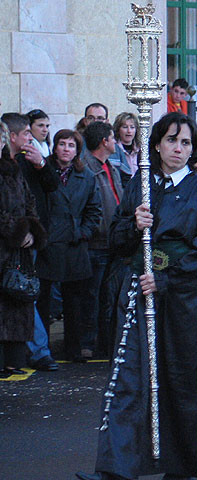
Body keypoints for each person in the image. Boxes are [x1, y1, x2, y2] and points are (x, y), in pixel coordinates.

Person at [77, 112, 197, 480]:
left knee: (185, 382)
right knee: (128, 380)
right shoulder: (139, 185)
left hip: (185, 302)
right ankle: (115, 469)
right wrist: (134, 225)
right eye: (172, 140)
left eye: (186, 142)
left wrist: (166, 280)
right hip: (137, 297)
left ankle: (184, 466)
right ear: (157, 143)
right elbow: (115, 240)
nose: (178, 149)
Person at [35, 129, 102, 362]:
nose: (65, 149)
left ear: (77, 151)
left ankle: (74, 348)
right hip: (47, 243)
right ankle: (42, 351)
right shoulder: (43, 172)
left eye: (71, 145)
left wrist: (82, 232)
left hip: (74, 245)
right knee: (43, 300)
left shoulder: (87, 176)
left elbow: (95, 211)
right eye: (62, 144)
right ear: (54, 147)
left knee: (74, 302)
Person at [0, 121, 47, 377]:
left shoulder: (13, 169)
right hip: (5, 245)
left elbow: (29, 201)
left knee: (17, 301)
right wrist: (15, 231)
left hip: (17, 252)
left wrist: (30, 230)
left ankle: (13, 360)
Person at [83, 121, 123, 359]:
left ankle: (107, 341)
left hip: (113, 242)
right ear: (103, 142)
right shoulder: (87, 168)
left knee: (109, 295)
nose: (116, 142)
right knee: (92, 295)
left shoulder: (112, 168)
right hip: (96, 242)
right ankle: (88, 341)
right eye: (112, 138)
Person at [109, 112, 141, 186]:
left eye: (132, 127)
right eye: (125, 127)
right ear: (118, 129)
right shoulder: (113, 149)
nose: (129, 131)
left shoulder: (141, 150)